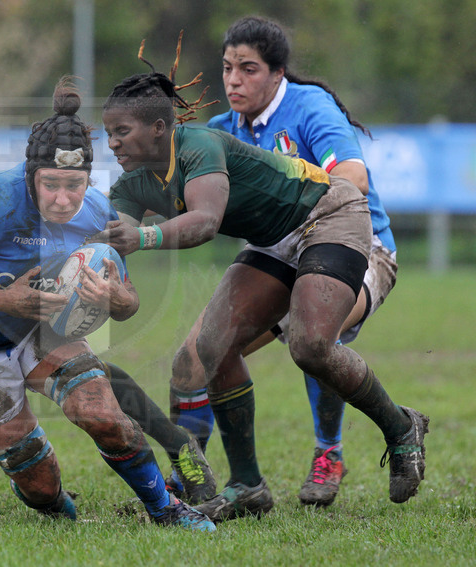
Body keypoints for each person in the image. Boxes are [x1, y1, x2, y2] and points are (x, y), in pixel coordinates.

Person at [91, 49, 428, 522]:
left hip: (329, 213)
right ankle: (247, 485)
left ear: (159, 128)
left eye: (121, 132)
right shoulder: (130, 185)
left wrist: (141, 236)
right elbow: (112, 242)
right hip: (275, 240)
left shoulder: (199, 145)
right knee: (207, 351)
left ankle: (401, 427)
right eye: (108, 133)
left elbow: (205, 222)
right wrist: (96, 273)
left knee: (310, 345)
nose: (112, 144)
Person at [0, 78, 216, 531]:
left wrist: (118, 298)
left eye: (76, 184)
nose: (64, 199)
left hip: (40, 329)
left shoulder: (96, 212)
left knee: (104, 416)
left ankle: (165, 508)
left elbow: (128, 302)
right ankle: (57, 506)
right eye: (51, 185)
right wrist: (3, 299)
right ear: (31, 176)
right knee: (41, 488)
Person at [166, 15, 398, 508]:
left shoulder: (308, 107)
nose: (233, 79)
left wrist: (288, 183)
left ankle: (330, 452)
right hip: (278, 256)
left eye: (248, 69)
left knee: (310, 331)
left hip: (358, 245)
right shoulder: (220, 131)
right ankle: (191, 475)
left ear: (277, 74)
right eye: (227, 68)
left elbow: (353, 177)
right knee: (197, 356)